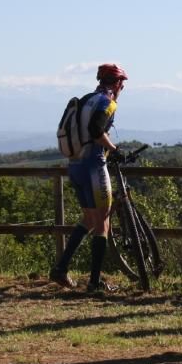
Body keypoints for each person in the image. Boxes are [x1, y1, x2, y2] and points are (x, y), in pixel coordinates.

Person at [50, 63, 129, 294]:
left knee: (89, 219)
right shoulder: (107, 102)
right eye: (122, 83)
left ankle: (61, 267)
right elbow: (96, 130)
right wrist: (113, 149)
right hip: (94, 165)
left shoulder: (86, 99)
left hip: (75, 165)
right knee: (102, 222)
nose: (122, 87)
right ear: (116, 83)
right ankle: (95, 282)